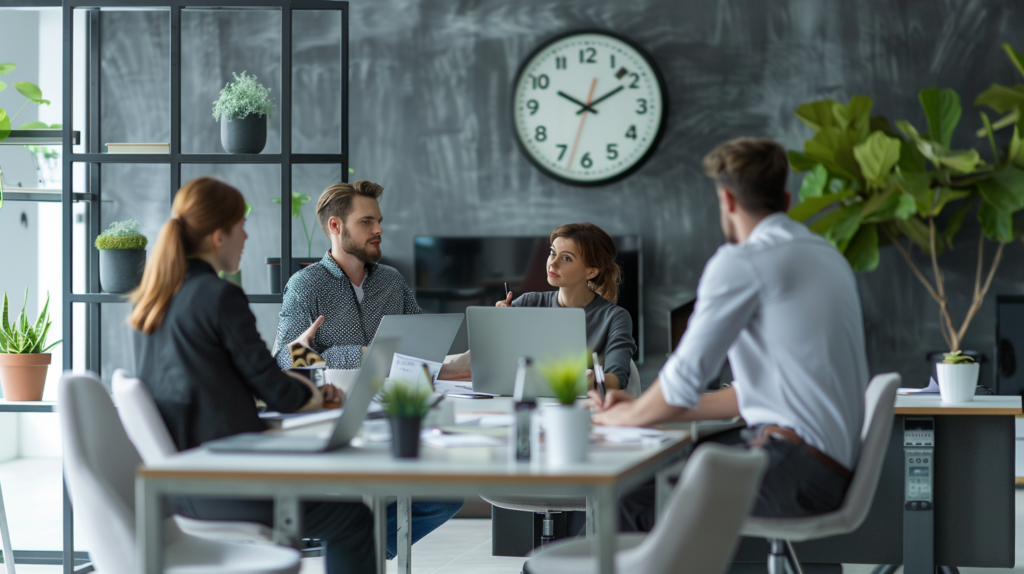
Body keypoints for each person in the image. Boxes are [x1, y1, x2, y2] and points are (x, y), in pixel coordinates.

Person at [591, 137, 869, 530]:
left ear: (728, 202)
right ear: (786, 200)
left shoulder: (743, 261)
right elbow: (750, 395)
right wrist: (638, 412)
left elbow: (683, 380)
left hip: (794, 469)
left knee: (626, 497)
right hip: (823, 471)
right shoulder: (824, 254)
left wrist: (627, 416)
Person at [131, 177, 376, 573]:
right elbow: (281, 373)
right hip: (226, 478)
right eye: (241, 225)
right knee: (355, 518)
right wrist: (322, 391)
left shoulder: (154, 299)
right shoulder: (239, 293)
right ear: (217, 235)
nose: (247, 235)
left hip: (179, 484)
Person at [272, 179, 462, 560]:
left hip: (397, 414)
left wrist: (458, 360)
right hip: (337, 418)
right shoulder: (305, 286)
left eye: (379, 221)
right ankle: (355, 545)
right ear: (336, 227)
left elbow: (422, 340)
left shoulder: (392, 281)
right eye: (367, 221)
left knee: (447, 495)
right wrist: (357, 353)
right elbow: (283, 360)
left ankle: (360, 546)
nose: (378, 230)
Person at [494, 223, 636, 391]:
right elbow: (495, 360)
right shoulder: (529, 303)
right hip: (525, 397)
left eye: (566, 258)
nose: (552, 264)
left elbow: (617, 379)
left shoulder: (614, 317)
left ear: (591, 272)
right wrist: (499, 324)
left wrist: (591, 381)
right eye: (553, 253)